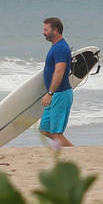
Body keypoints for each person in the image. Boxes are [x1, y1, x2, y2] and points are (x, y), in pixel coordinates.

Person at [40, 16, 74, 146]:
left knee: (56, 133)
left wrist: (50, 93)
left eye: (46, 29)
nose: (43, 32)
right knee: (45, 130)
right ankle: (72, 151)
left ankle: (74, 153)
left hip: (60, 94)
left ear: (55, 30)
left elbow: (59, 71)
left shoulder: (60, 48)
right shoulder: (56, 46)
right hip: (55, 94)